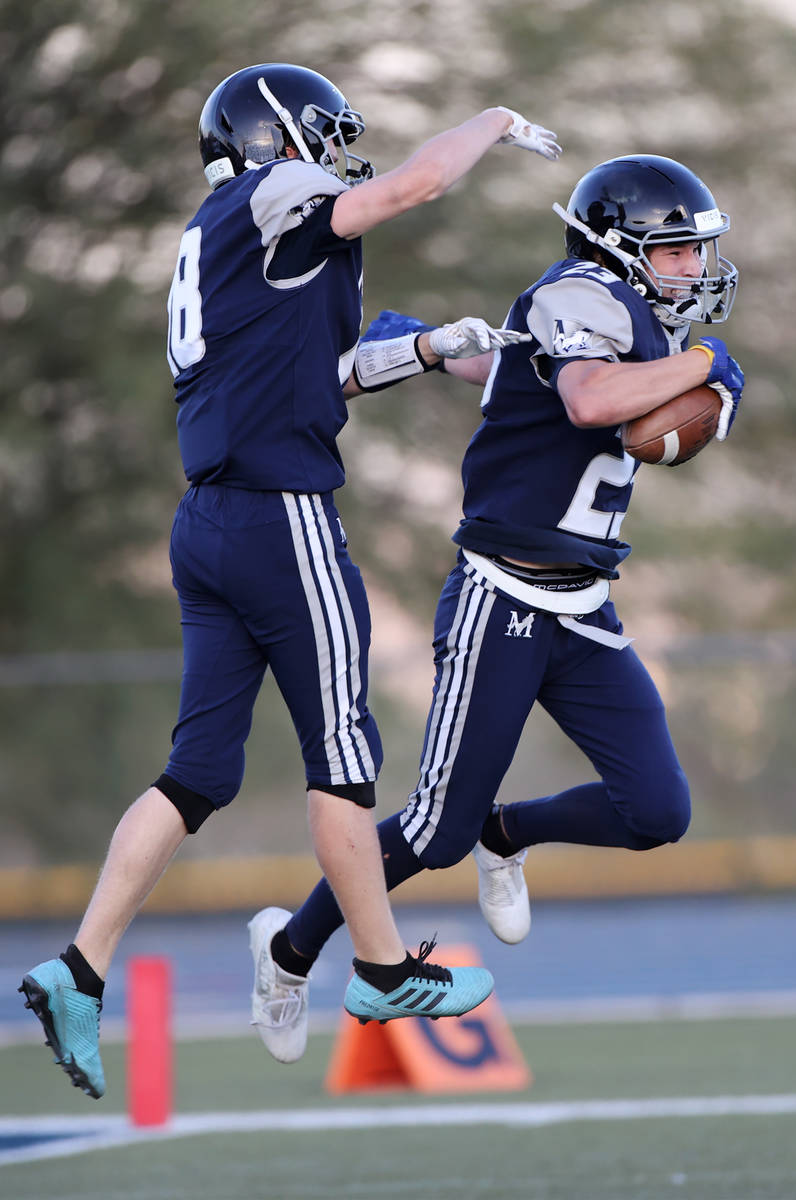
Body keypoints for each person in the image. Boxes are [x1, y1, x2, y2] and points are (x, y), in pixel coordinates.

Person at [19, 62, 563, 1097]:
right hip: (281, 517)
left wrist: (430, 349)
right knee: (342, 758)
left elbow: (322, 374)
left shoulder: (222, 233)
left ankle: (78, 968)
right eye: (320, 134)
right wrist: (490, 116)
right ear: (273, 138)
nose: (334, 153)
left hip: (207, 521)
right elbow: (404, 189)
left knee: (196, 774)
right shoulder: (273, 195)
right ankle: (378, 968)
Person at [248, 153, 745, 1063]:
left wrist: (699, 381)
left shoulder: (627, 318)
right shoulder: (581, 292)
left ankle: (505, 832)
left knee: (656, 813)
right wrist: (707, 365)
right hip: (502, 593)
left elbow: (517, 380)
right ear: (622, 247)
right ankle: (288, 951)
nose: (693, 269)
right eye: (675, 251)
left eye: (695, 252)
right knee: (432, 829)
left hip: (584, 601)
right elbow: (593, 401)